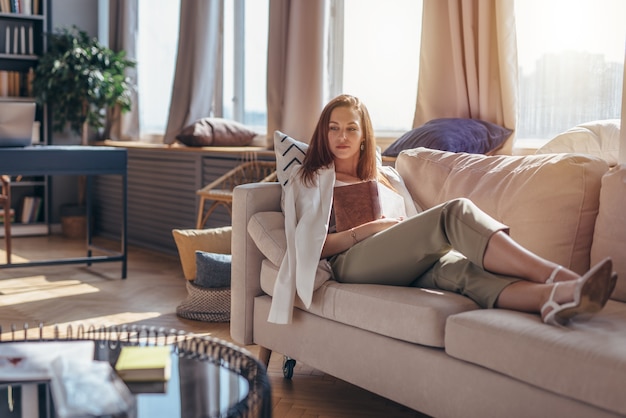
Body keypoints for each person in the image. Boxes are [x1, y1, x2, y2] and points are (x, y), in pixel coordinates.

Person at [268, 94, 617, 327]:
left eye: (351, 128)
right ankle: (560, 275)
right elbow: (311, 247)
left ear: (363, 136)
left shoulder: (386, 177)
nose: (341, 136)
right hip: (351, 263)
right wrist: (370, 229)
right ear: (323, 134)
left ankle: (556, 298)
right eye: (333, 128)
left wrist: (396, 230)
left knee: (465, 273)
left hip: (398, 259)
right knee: (454, 213)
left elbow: (409, 222)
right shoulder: (310, 179)